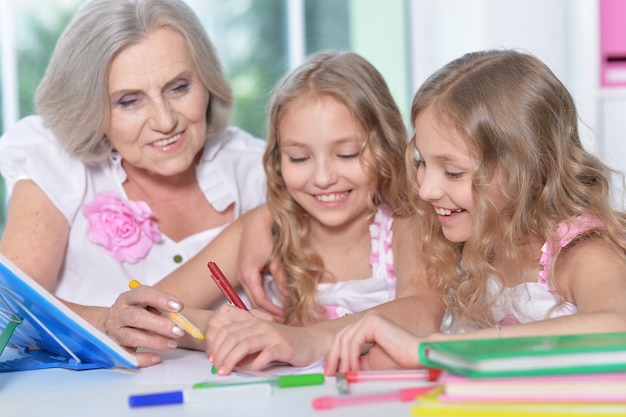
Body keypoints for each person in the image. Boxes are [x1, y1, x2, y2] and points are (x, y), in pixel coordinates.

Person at [114, 50, 441, 370]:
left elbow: (422, 311)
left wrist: (304, 339)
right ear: (277, 159)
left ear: (385, 147)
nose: (323, 178)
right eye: (299, 157)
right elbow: (152, 308)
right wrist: (226, 330)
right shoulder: (264, 230)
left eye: (347, 154)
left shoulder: (406, 223)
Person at [323, 49, 626, 374]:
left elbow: (617, 329)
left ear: (524, 170)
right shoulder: (469, 241)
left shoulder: (580, 252)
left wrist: (436, 349)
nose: (426, 190)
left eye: (453, 173)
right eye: (422, 162)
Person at [0, 0, 266, 365]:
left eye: (179, 87)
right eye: (129, 101)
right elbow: (8, 312)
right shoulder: (55, 159)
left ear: (207, 79)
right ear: (88, 107)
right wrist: (104, 321)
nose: (165, 120)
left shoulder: (262, 169)